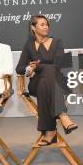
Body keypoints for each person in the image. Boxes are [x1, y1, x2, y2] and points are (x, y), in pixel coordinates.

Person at [16, 15, 77, 146]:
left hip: (57, 82)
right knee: (45, 77)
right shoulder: (29, 45)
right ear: (33, 27)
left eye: (47, 24)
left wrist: (38, 66)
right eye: (42, 24)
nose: (46, 27)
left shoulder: (57, 42)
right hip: (35, 83)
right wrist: (29, 68)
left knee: (46, 80)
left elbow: (59, 65)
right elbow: (19, 68)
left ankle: (49, 131)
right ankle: (62, 114)